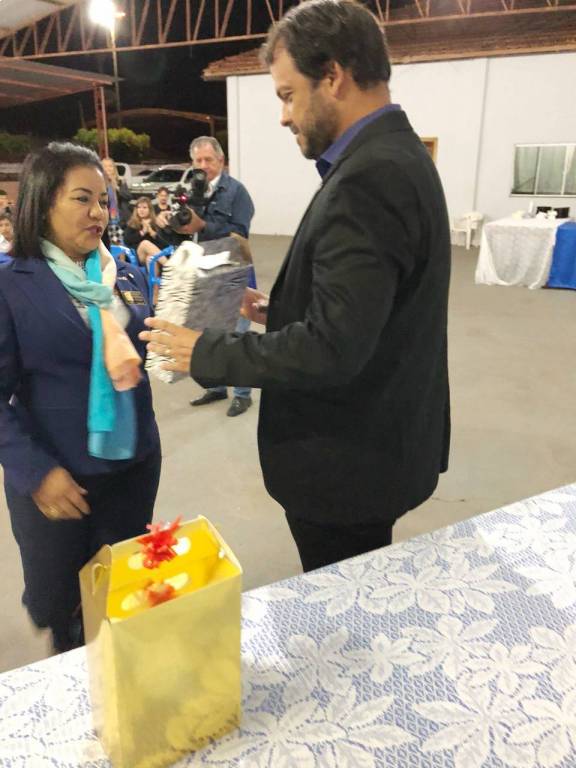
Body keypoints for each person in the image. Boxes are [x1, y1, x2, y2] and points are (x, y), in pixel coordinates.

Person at [141, 0, 451, 572]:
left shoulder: (369, 179)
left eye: (288, 95)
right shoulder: (398, 156)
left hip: (346, 464)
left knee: (346, 599)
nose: (283, 116)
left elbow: (333, 349)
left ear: (333, 75)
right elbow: (379, 307)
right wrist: (282, 307)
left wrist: (204, 351)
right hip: (382, 440)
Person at [0, 142, 161, 652]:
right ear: (43, 203)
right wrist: (35, 472)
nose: (99, 213)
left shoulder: (122, 273)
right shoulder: (12, 284)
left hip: (132, 469)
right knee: (61, 605)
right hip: (59, 479)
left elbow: (144, 354)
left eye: (103, 200)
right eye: (82, 199)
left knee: (119, 597)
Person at [184, 136, 256, 417]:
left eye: (208, 160)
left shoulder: (237, 192)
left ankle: (242, 394)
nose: (203, 165)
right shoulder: (193, 191)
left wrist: (202, 224)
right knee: (209, 335)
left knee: (237, 336)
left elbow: (239, 233)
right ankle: (216, 387)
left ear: (221, 161)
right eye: (198, 160)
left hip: (233, 272)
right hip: (204, 271)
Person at [123, 196, 172, 269]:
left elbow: (166, 245)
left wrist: (153, 234)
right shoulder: (132, 223)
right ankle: (170, 267)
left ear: (150, 209)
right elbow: (126, 240)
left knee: (150, 259)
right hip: (137, 255)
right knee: (145, 243)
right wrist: (143, 232)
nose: (141, 210)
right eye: (139, 207)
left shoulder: (155, 223)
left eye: (144, 207)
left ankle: (155, 277)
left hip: (155, 256)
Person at [101, 157, 131, 245]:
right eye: (105, 166)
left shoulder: (121, 181)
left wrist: (116, 187)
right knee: (111, 243)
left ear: (114, 168)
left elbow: (128, 196)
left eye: (110, 166)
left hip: (120, 218)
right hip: (107, 218)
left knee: (120, 243)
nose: (108, 168)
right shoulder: (99, 183)